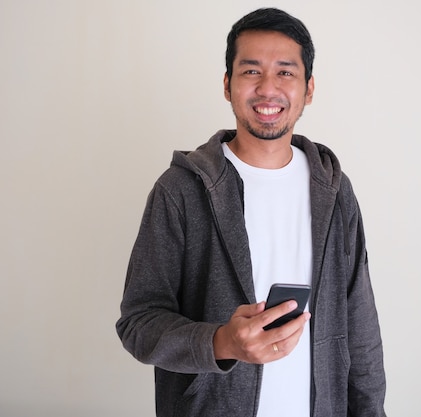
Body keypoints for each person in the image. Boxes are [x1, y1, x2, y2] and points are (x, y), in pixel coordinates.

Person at [116, 7, 387, 417]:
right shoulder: (180, 190)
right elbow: (138, 323)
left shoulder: (333, 191)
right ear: (227, 85)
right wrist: (222, 342)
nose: (268, 88)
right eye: (251, 71)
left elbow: (361, 326)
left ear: (308, 88)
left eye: (285, 72)